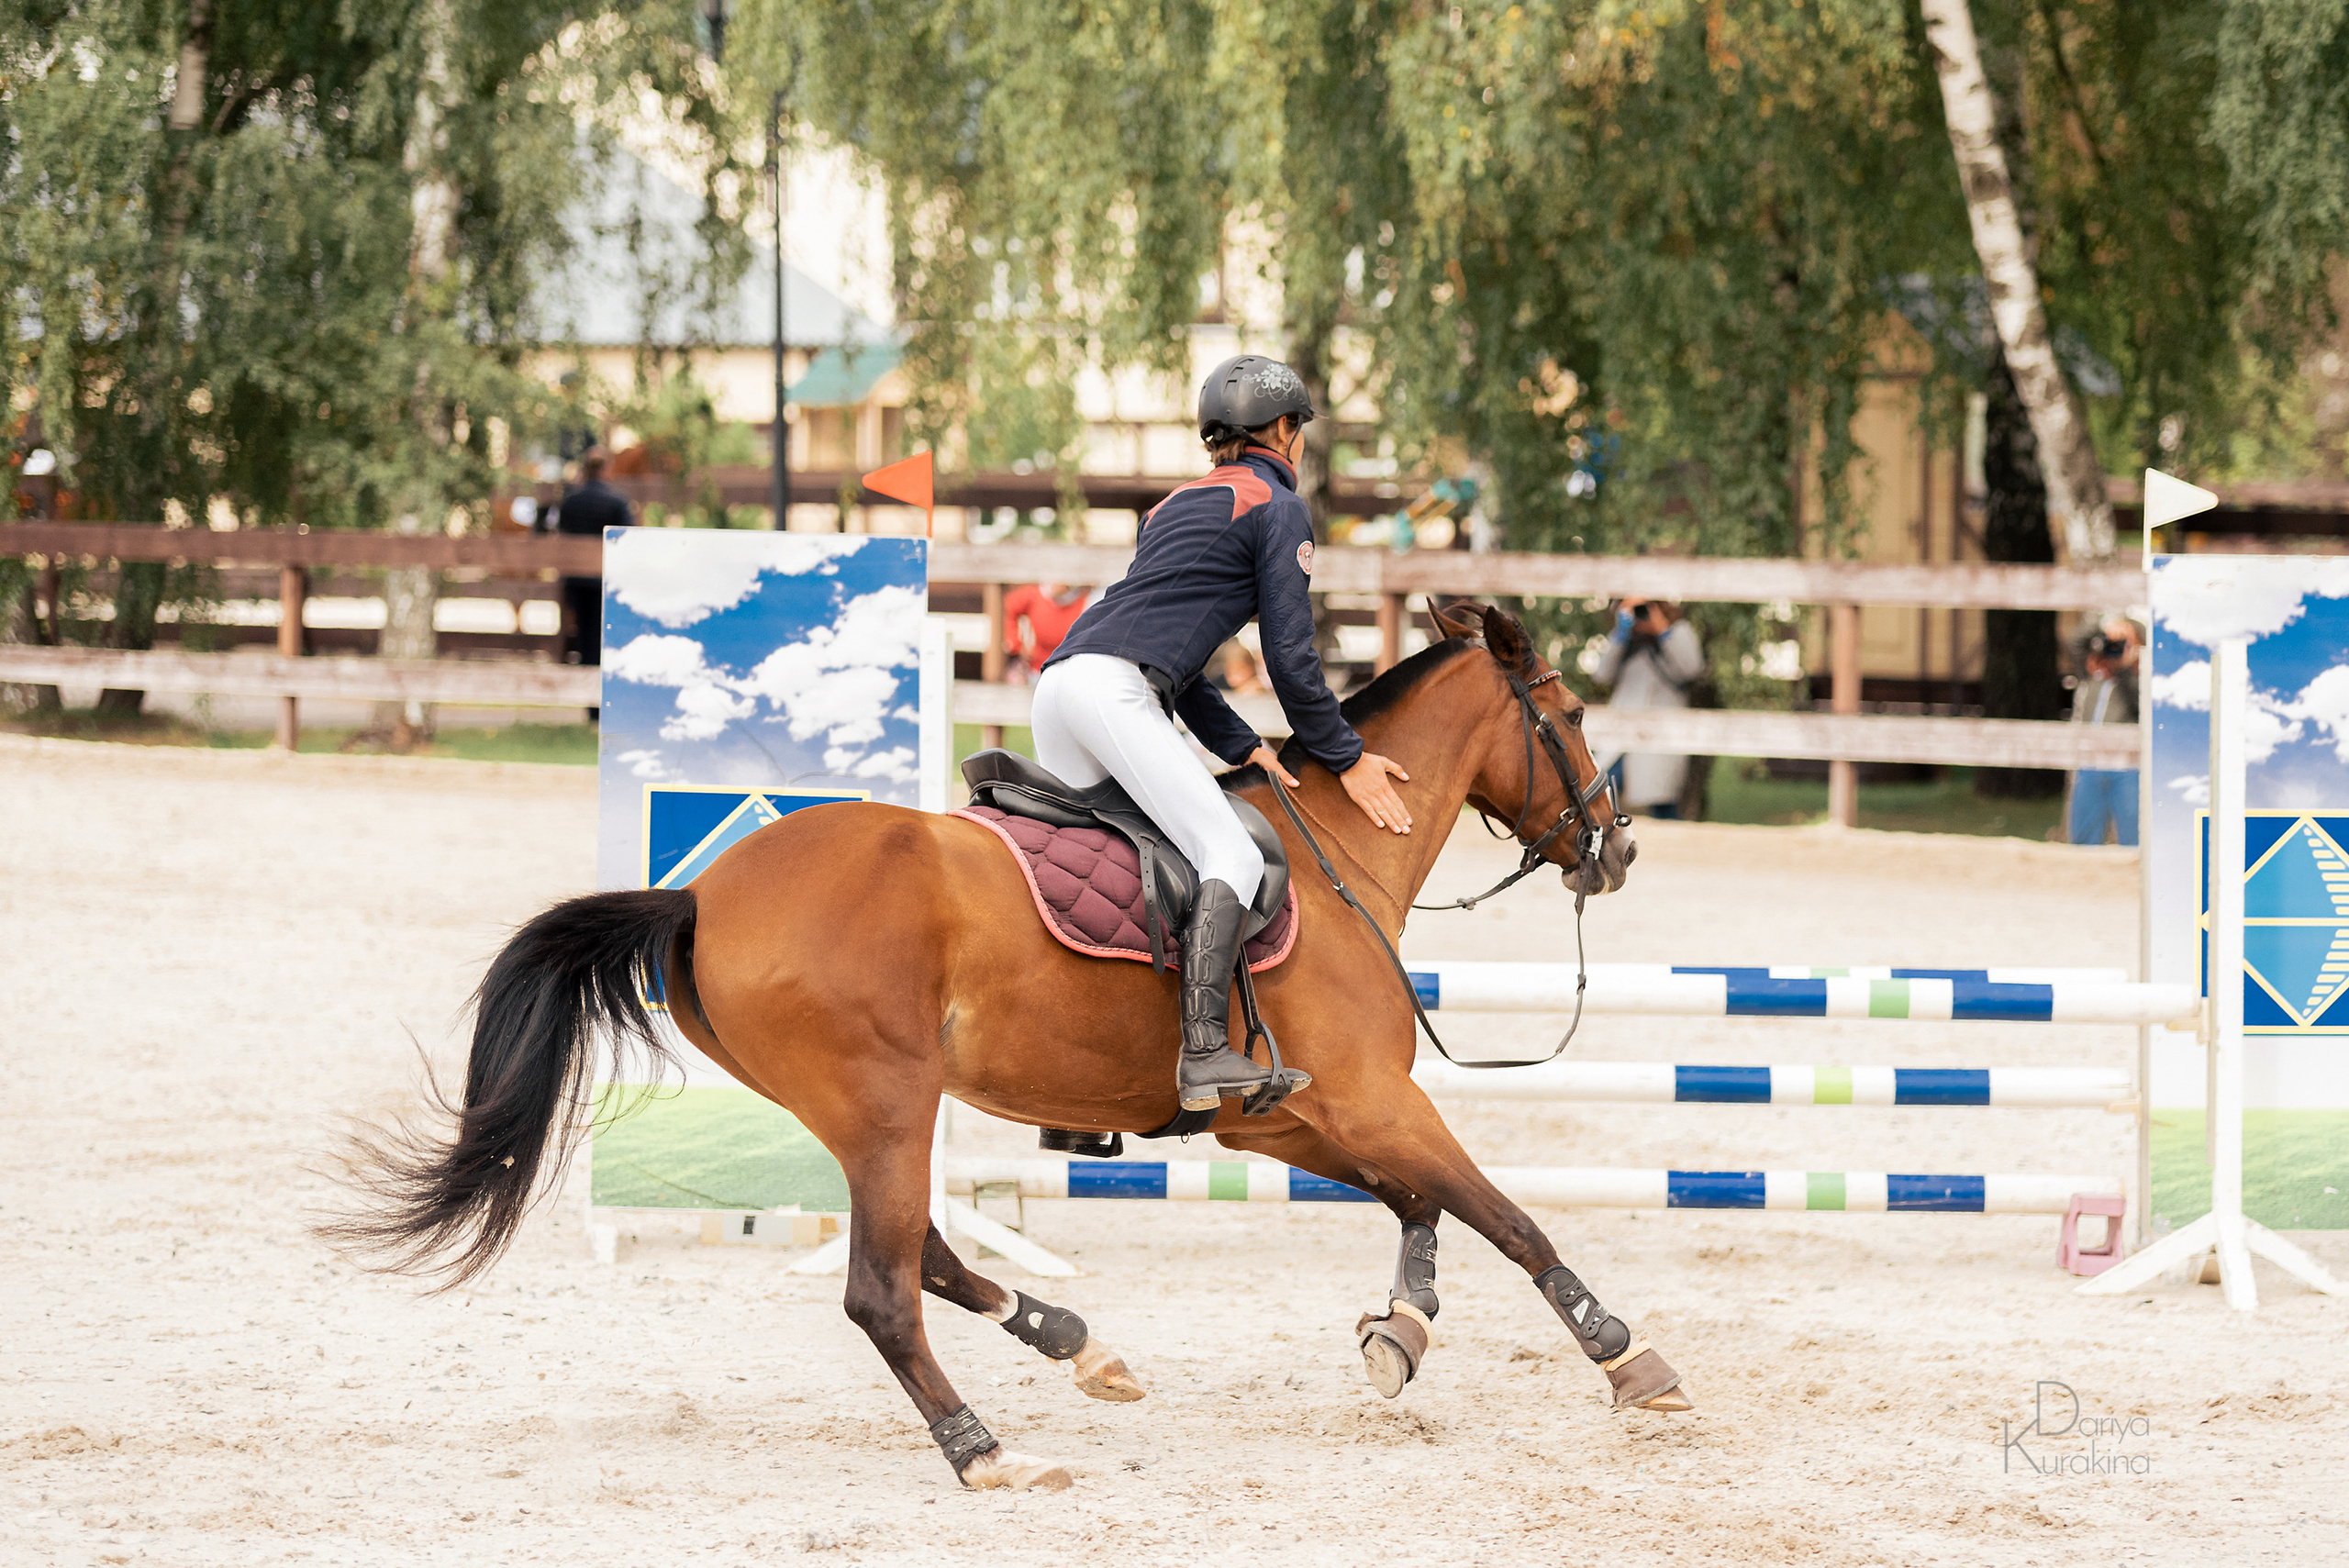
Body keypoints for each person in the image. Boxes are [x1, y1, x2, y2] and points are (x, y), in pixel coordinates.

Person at [1035, 353, 1412, 1113]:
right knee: (1230, 855)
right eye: (1298, 428)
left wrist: (1241, 745)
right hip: (1114, 690)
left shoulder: (1171, 507)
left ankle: (1078, 1105)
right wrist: (1347, 756)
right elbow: (1291, 659)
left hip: (1060, 687)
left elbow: (1181, 659)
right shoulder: (1278, 508)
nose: (1299, 441)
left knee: (1125, 867)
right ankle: (1204, 1051)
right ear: (1281, 430)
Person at [1588, 597, 1705, 819]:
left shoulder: (1679, 631)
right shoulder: (1626, 639)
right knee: (1601, 790)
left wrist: (1661, 629)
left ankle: (1670, 845)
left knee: (1660, 801)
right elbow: (1601, 675)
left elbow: (1692, 668)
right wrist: (1621, 634)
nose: (1641, 615)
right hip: (1621, 731)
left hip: (1661, 731)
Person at [543, 446, 635, 671]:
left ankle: (585, 687)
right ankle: (595, 694)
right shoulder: (616, 502)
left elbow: (559, 532)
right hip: (603, 581)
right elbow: (628, 538)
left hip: (575, 581)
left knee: (583, 635)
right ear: (606, 469)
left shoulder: (571, 501)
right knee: (601, 636)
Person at [2067, 617, 2141, 847]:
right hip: (2090, 764)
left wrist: (2127, 668)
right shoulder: (2091, 670)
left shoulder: (2141, 679)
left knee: (2132, 837)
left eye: (2124, 642)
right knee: (2083, 838)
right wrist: (2103, 626)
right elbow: (2073, 641)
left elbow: (2138, 706)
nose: (2116, 648)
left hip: (2127, 767)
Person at [1001, 581, 1089, 683]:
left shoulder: (1085, 602)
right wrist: (1016, 644)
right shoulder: (1035, 594)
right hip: (1035, 669)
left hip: (1068, 672)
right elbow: (1010, 605)